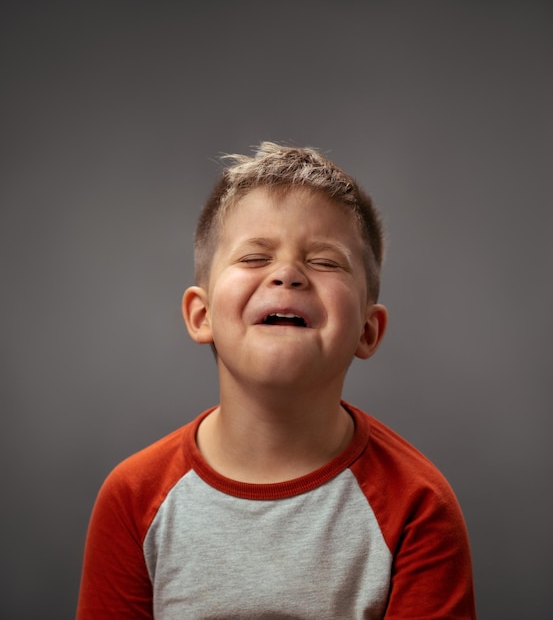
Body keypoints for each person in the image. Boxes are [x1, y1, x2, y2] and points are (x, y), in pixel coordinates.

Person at [76, 142, 477, 619]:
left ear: (367, 332)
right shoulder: (133, 498)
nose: (288, 275)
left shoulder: (418, 505)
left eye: (325, 262)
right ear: (201, 316)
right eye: (253, 259)